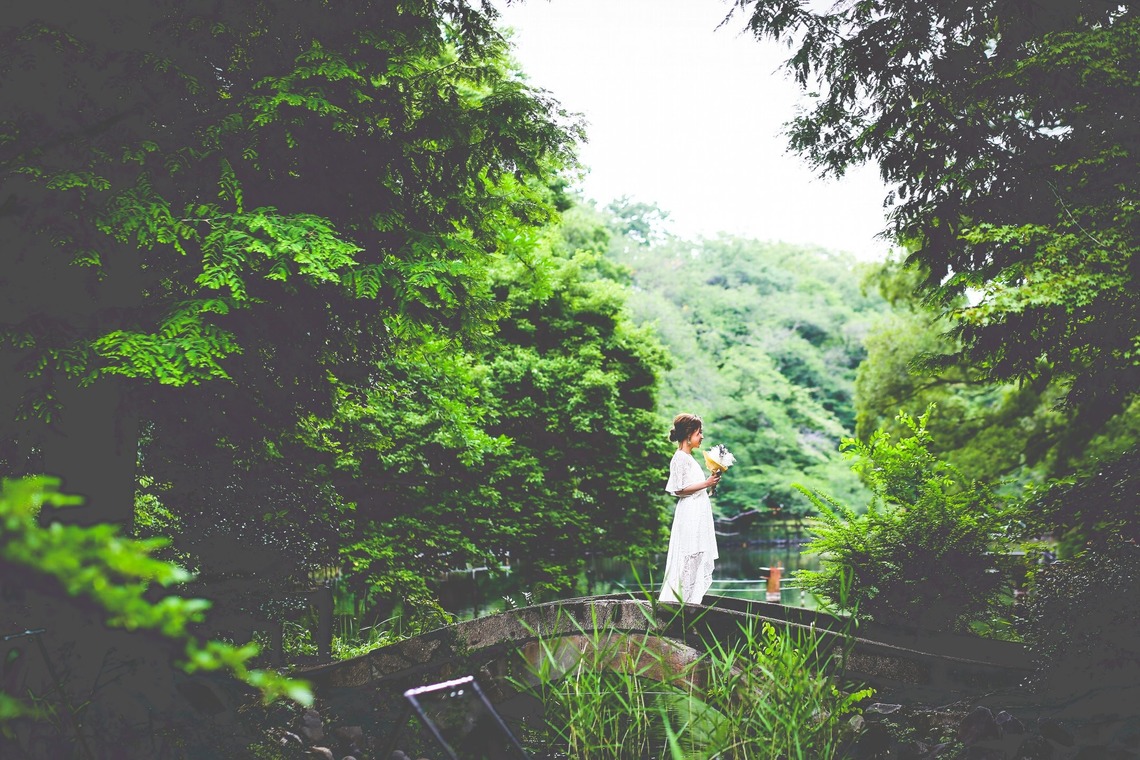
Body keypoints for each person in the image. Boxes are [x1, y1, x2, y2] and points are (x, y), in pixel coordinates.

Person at [659, 413, 720, 604]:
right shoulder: (680, 458)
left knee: (697, 554)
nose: (702, 436)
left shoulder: (689, 458)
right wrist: (706, 483)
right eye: (698, 432)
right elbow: (679, 489)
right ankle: (682, 601)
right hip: (690, 513)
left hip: (698, 511)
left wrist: (710, 484)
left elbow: (693, 486)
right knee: (690, 554)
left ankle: (691, 601)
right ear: (688, 434)